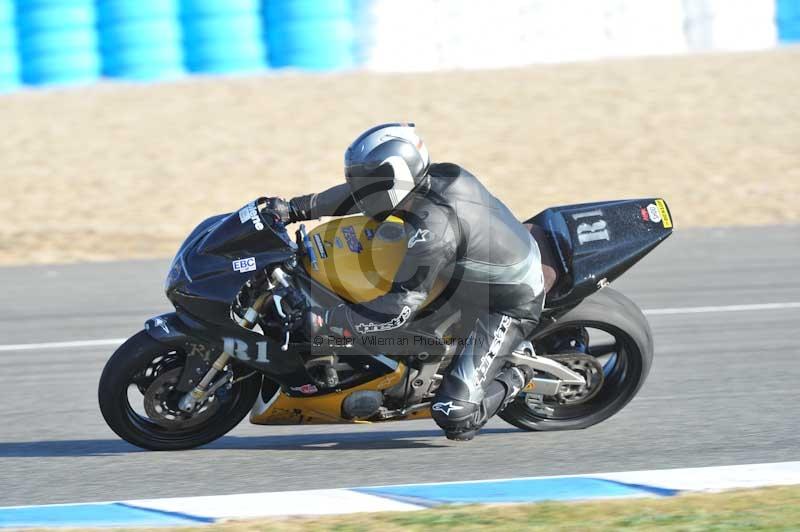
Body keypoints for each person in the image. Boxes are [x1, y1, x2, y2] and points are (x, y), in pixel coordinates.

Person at [267, 123, 545, 441]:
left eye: (368, 182)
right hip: (467, 276)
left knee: (455, 415)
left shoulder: (433, 233)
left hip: (506, 303)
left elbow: (398, 311)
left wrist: (328, 320)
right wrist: (294, 209)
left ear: (395, 179)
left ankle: (518, 372)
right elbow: (361, 197)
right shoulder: (425, 182)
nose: (359, 190)